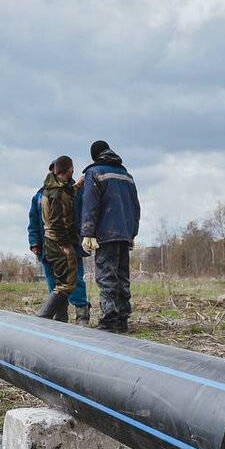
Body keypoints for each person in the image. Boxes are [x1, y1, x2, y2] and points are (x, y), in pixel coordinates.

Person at [80, 140, 140, 333]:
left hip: (106, 234)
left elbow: (90, 204)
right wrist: (132, 232)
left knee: (106, 278)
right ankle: (123, 320)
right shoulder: (127, 176)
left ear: (95, 156)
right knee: (122, 277)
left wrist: (88, 232)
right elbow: (135, 207)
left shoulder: (94, 173)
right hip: (124, 234)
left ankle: (108, 322)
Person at [29, 163, 91, 324]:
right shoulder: (40, 196)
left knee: (75, 280)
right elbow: (34, 222)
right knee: (54, 282)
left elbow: (84, 214)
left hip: (71, 245)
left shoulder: (76, 192)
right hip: (49, 247)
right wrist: (34, 242)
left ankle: (82, 315)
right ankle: (59, 318)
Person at [36, 155, 81, 322]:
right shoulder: (57, 192)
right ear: (70, 170)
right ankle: (42, 318)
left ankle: (60, 320)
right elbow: (57, 220)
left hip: (50, 241)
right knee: (67, 284)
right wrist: (65, 245)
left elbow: (66, 196)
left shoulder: (51, 187)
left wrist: (77, 187)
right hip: (58, 242)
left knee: (59, 282)